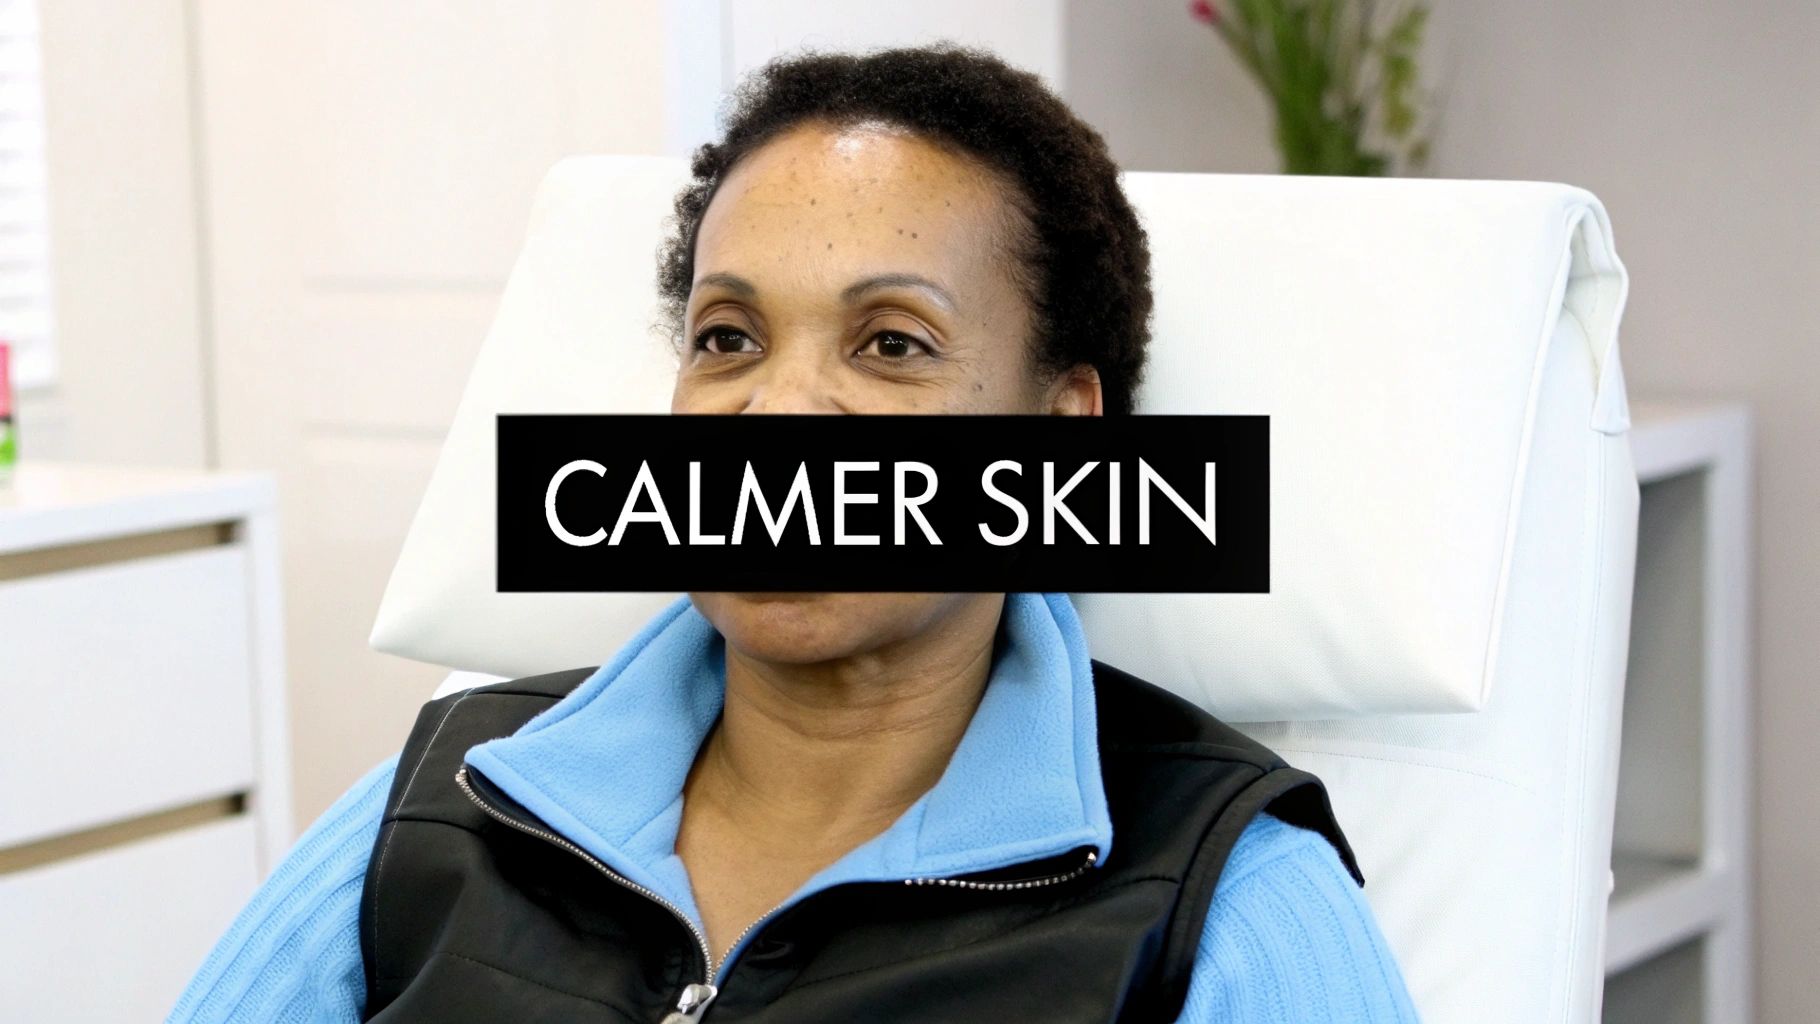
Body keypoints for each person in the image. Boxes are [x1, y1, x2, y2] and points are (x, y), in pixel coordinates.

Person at [169, 43, 1420, 1023]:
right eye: (728, 339)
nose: (776, 411)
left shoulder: (1223, 902)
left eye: (890, 345)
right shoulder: (437, 809)